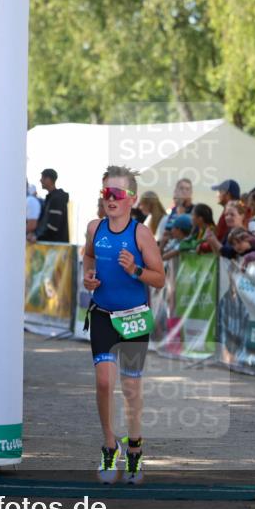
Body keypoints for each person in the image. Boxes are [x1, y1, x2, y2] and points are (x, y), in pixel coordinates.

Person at [82, 165, 165, 485]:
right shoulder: (94, 228)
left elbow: (159, 278)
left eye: (117, 194)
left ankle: (135, 447)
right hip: (102, 314)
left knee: (130, 388)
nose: (110, 199)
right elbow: (88, 258)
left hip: (133, 318)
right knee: (104, 382)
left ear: (131, 199)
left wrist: (135, 270)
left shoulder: (141, 234)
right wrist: (87, 277)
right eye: (106, 193)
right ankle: (108, 444)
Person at [35, 168, 70, 243]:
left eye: (43, 178)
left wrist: (37, 237)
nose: (40, 180)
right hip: (51, 246)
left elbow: (53, 227)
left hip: (55, 248)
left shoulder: (57, 199)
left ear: (49, 179)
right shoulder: (51, 198)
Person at [210, 179, 240, 244]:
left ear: (228, 194)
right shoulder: (228, 210)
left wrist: (203, 246)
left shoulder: (231, 213)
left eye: (220, 191)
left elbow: (219, 239)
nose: (217, 194)